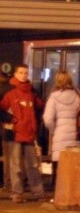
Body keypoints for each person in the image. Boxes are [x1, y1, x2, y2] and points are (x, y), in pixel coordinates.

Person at [0, 64, 47, 203]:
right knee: (17, 165)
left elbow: (39, 106)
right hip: (14, 132)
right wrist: (11, 119)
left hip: (27, 131)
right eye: (21, 72)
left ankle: (32, 192)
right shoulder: (9, 91)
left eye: (26, 73)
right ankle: (19, 192)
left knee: (30, 164)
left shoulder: (31, 91)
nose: (24, 75)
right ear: (15, 74)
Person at [42, 71, 80, 188]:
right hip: (75, 135)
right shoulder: (77, 95)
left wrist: (54, 130)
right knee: (72, 167)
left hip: (60, 135)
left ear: (57, 81)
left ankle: (59, 193)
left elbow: (48, 119)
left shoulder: (54, 97)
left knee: (59, 165)